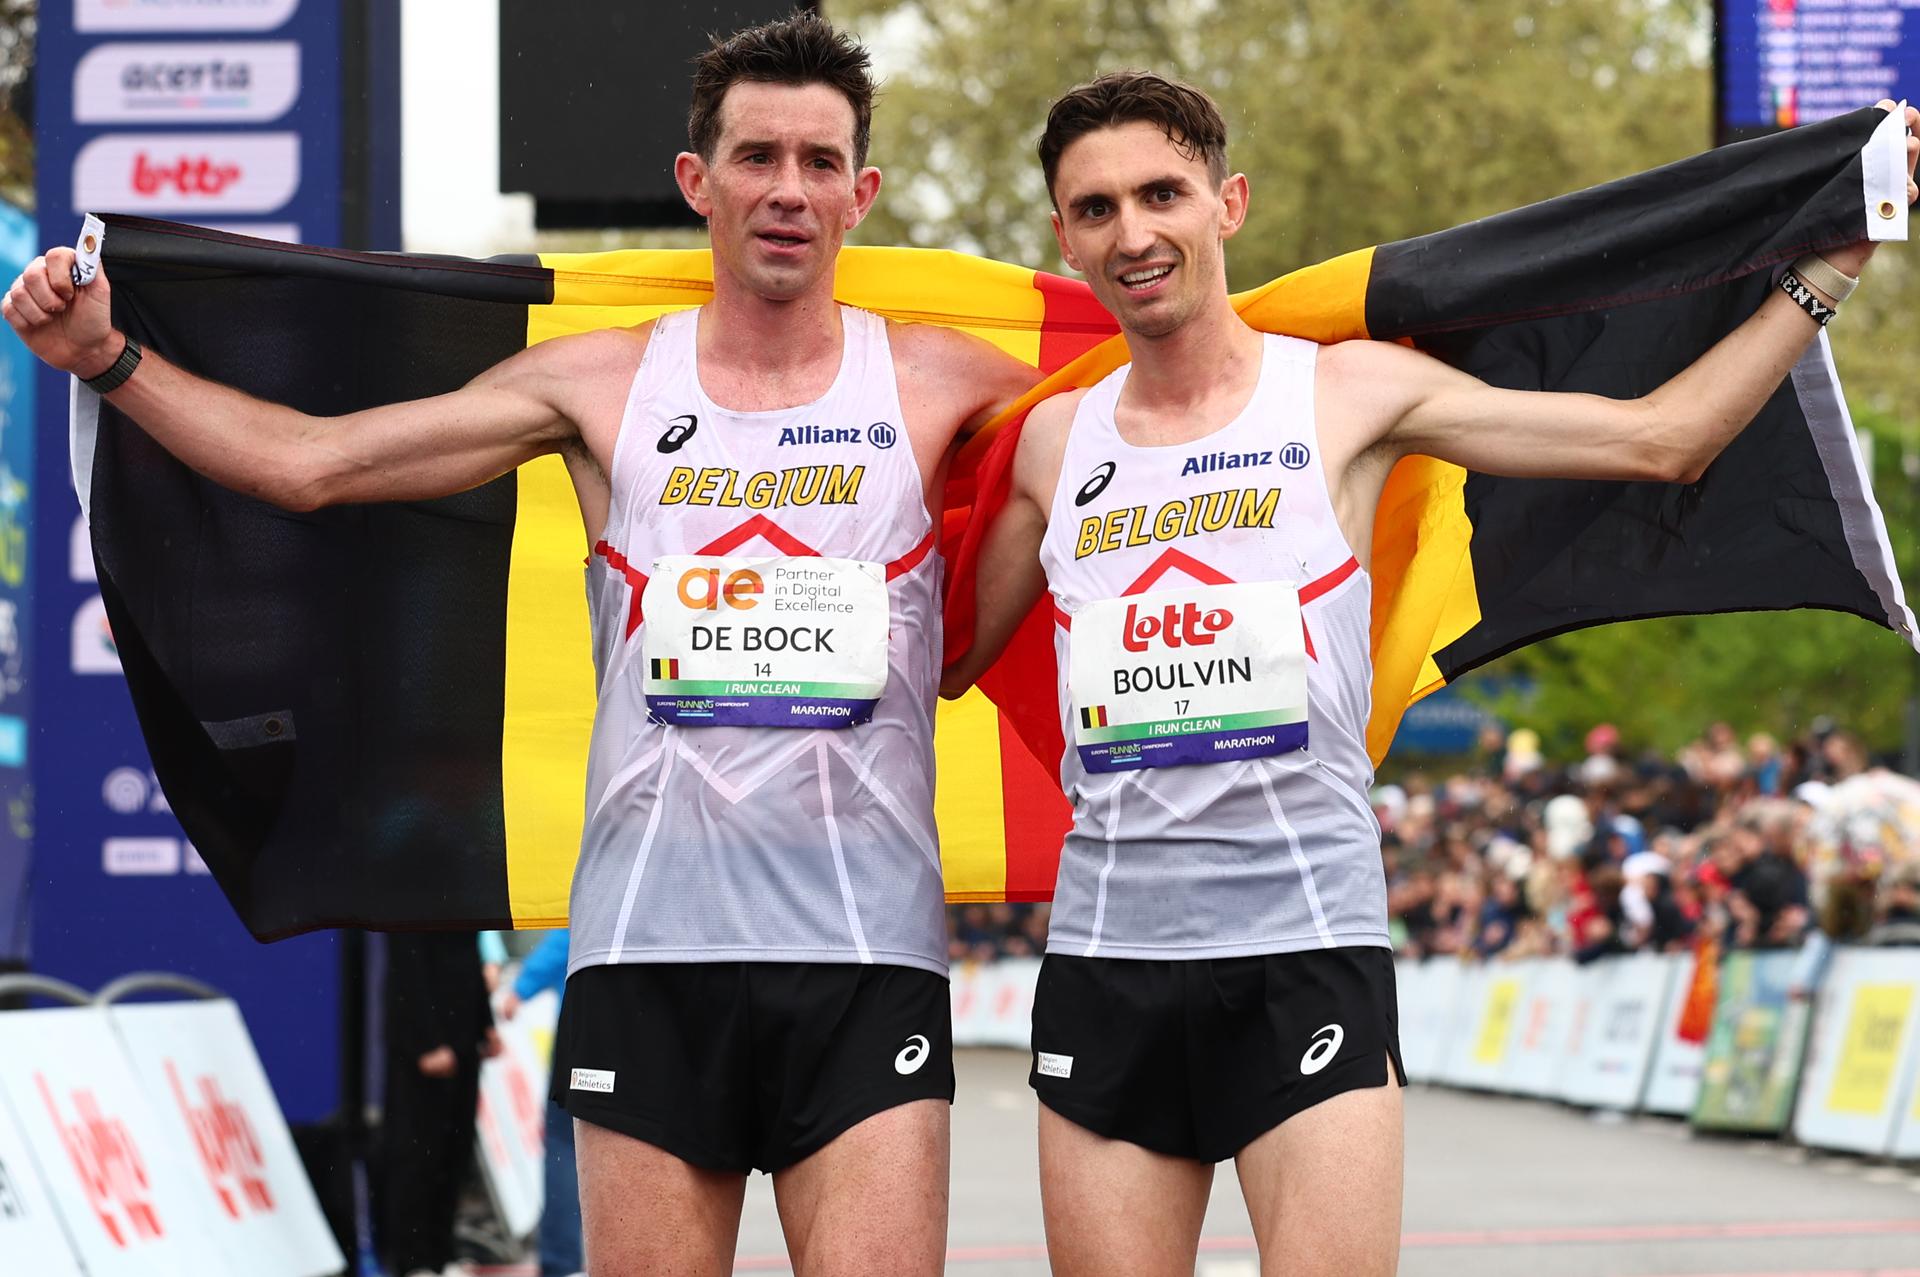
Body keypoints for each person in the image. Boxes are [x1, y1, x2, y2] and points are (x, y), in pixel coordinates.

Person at [5, 14, 1038, 1273]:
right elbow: (315, 466)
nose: (788, 190)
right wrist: (106, 356)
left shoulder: (947, 383)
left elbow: (1167, 426)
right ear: (695, 181)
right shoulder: (598, 385)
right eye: (757, 155)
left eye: (821, 162)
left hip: (866, 956)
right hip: (646, 954)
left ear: (861, 192)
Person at [942, 72, 1919, 1276]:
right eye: (1095, 209)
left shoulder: (1346, 393)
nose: (1133, 232)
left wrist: (1832, 263)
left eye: (1163, 193)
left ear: (1226, 203)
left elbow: (1662, 437)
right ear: (1064, 234)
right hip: (1107, 964)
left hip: (1304, 951)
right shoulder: (1052, 441)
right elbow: (942, 654)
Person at [380, 933, 500, 1277]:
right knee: (417, 1153)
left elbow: (470, 956)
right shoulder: (408, 895)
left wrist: (485, 1025)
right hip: (423, 1048)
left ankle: (441, 1252)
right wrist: (426, 1042)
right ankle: (412, 1259)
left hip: (464, 1041)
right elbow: (407, 971)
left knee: (454, 1151)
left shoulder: (462, 899)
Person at [499, 929, 581, 1277]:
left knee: (565, 1149)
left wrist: (520, 990)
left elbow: (567, 936)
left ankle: (562, 1263)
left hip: (581, 1037)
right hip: (640, 1039)